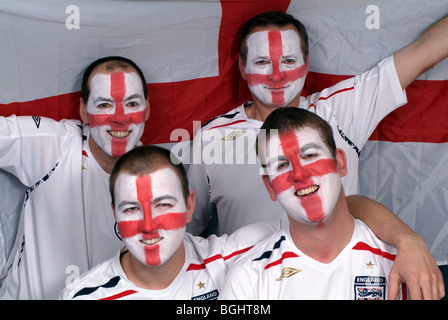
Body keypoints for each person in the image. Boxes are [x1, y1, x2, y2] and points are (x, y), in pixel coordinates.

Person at [187, 11, 447, 299]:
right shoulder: (212, 138)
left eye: (288, 60)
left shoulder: (340, 110)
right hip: (250, 290)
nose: (276, 75)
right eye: (262, 62)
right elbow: (186, 230)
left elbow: (426, 51)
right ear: (242, 66)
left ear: (307, 63)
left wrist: (409, 239)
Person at [0, 56, 150, 299]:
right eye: (104, 105)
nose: (120, 117)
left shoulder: (158, 176)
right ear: (83, 110)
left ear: (147, 108)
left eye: (132, 103)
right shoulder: (52, 145)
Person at [220, 107, 407, 300]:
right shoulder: (248, 280)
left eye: (309, 155)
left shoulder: (403, 263)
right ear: (270, 187)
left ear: (340, 163)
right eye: (282, 165)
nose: (299, 174)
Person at [59, 145, 278, 300]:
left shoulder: (232, 259)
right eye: (131, 209)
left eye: (163, 205)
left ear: (189, 205)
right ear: (115, 214)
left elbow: (304, 233)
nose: (148, 226)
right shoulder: (84, 295)